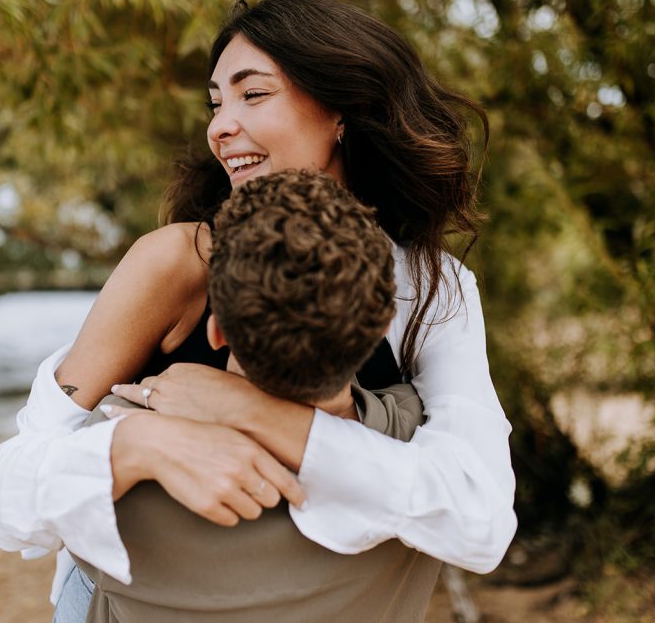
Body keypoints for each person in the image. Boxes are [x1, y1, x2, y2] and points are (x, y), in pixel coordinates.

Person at [0, 0, 517, 618]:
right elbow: (11, 495)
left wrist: (247, 410)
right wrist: (140, 445)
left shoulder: (431, 286)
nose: (219, 126)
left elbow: (479, 522)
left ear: (341, 109)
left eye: (252, 94)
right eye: (216, 103)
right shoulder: (177, 263)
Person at [74, 170, 435, 621]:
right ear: (382, 329)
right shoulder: (418, 438)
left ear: (216, 330)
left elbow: (55, 515)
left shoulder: (109, 462)